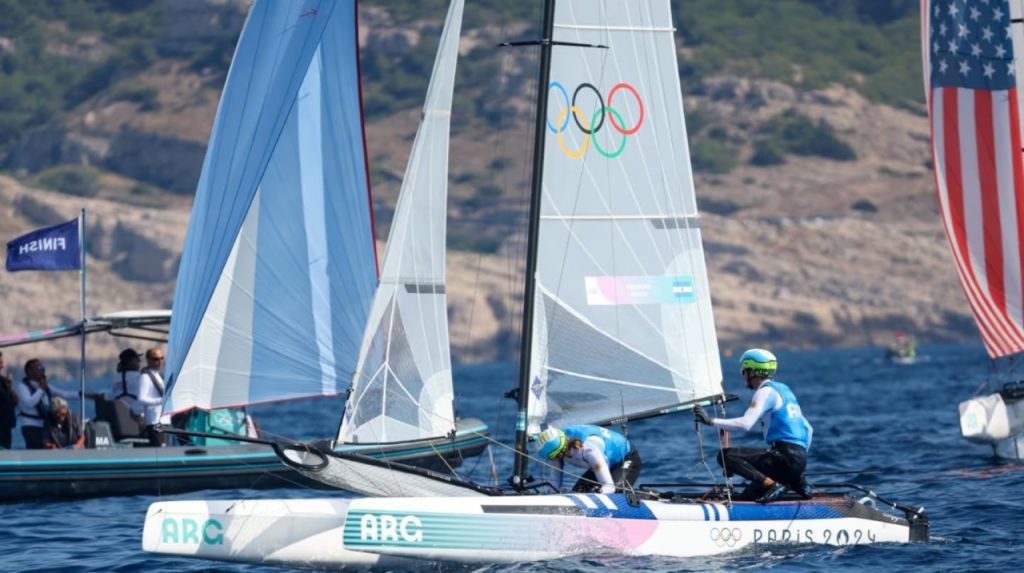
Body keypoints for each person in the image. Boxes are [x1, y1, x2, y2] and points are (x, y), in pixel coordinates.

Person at [694, 348, 813, 503]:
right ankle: (797, 482)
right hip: (799, 460)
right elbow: (808, 429)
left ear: (752, 372)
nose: (743, 375)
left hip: (783, 458)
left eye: (744, 371)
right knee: (746, 496)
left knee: (726, 456)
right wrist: (797, 468)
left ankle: (772, 485)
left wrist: (710, 421)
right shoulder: (784, 389)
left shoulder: (765, 392)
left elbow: (745, 424)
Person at [536, 424, 641, 494]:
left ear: (560, 452)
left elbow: (609, 486)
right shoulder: (559, 447)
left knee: (616, 493)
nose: (553, 460)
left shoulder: (588, 449)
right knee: (579, 492)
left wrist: (601, 491)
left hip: (626, 458)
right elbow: (554, 483)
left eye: (554, 457)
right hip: (602, 463)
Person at [14, 358, 81, 449]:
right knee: (35, 451)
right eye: (39, 368)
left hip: (45, 426)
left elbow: (64, 394)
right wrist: (41, 390)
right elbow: (29, 403)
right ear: (29, 371)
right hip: (31, 426)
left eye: (43, 368)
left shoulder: (44, 386)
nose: (43, 370)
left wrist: (83, 395)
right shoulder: (22, 387)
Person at [132, 347, 167, 446]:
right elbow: (141, 399)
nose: (159, 362)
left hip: (164, 421)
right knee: (161, 450)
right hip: (154, 422)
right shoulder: (145, 377)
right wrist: (160, 401)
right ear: (148, 360)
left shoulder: (160, 376)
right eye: (156, 359)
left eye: (161, 358)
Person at [110, 348, 142, 413]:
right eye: (137, 359)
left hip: (120, 414)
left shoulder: (115, 378)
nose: (140, 361)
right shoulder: (140, 377)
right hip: (138, 414)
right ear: (131, 361)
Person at [0, 351, 17, 449]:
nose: (2, 366)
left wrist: (9, 386)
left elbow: (15, 401)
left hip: (6, 425)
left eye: (1, 362)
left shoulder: (4, 380)